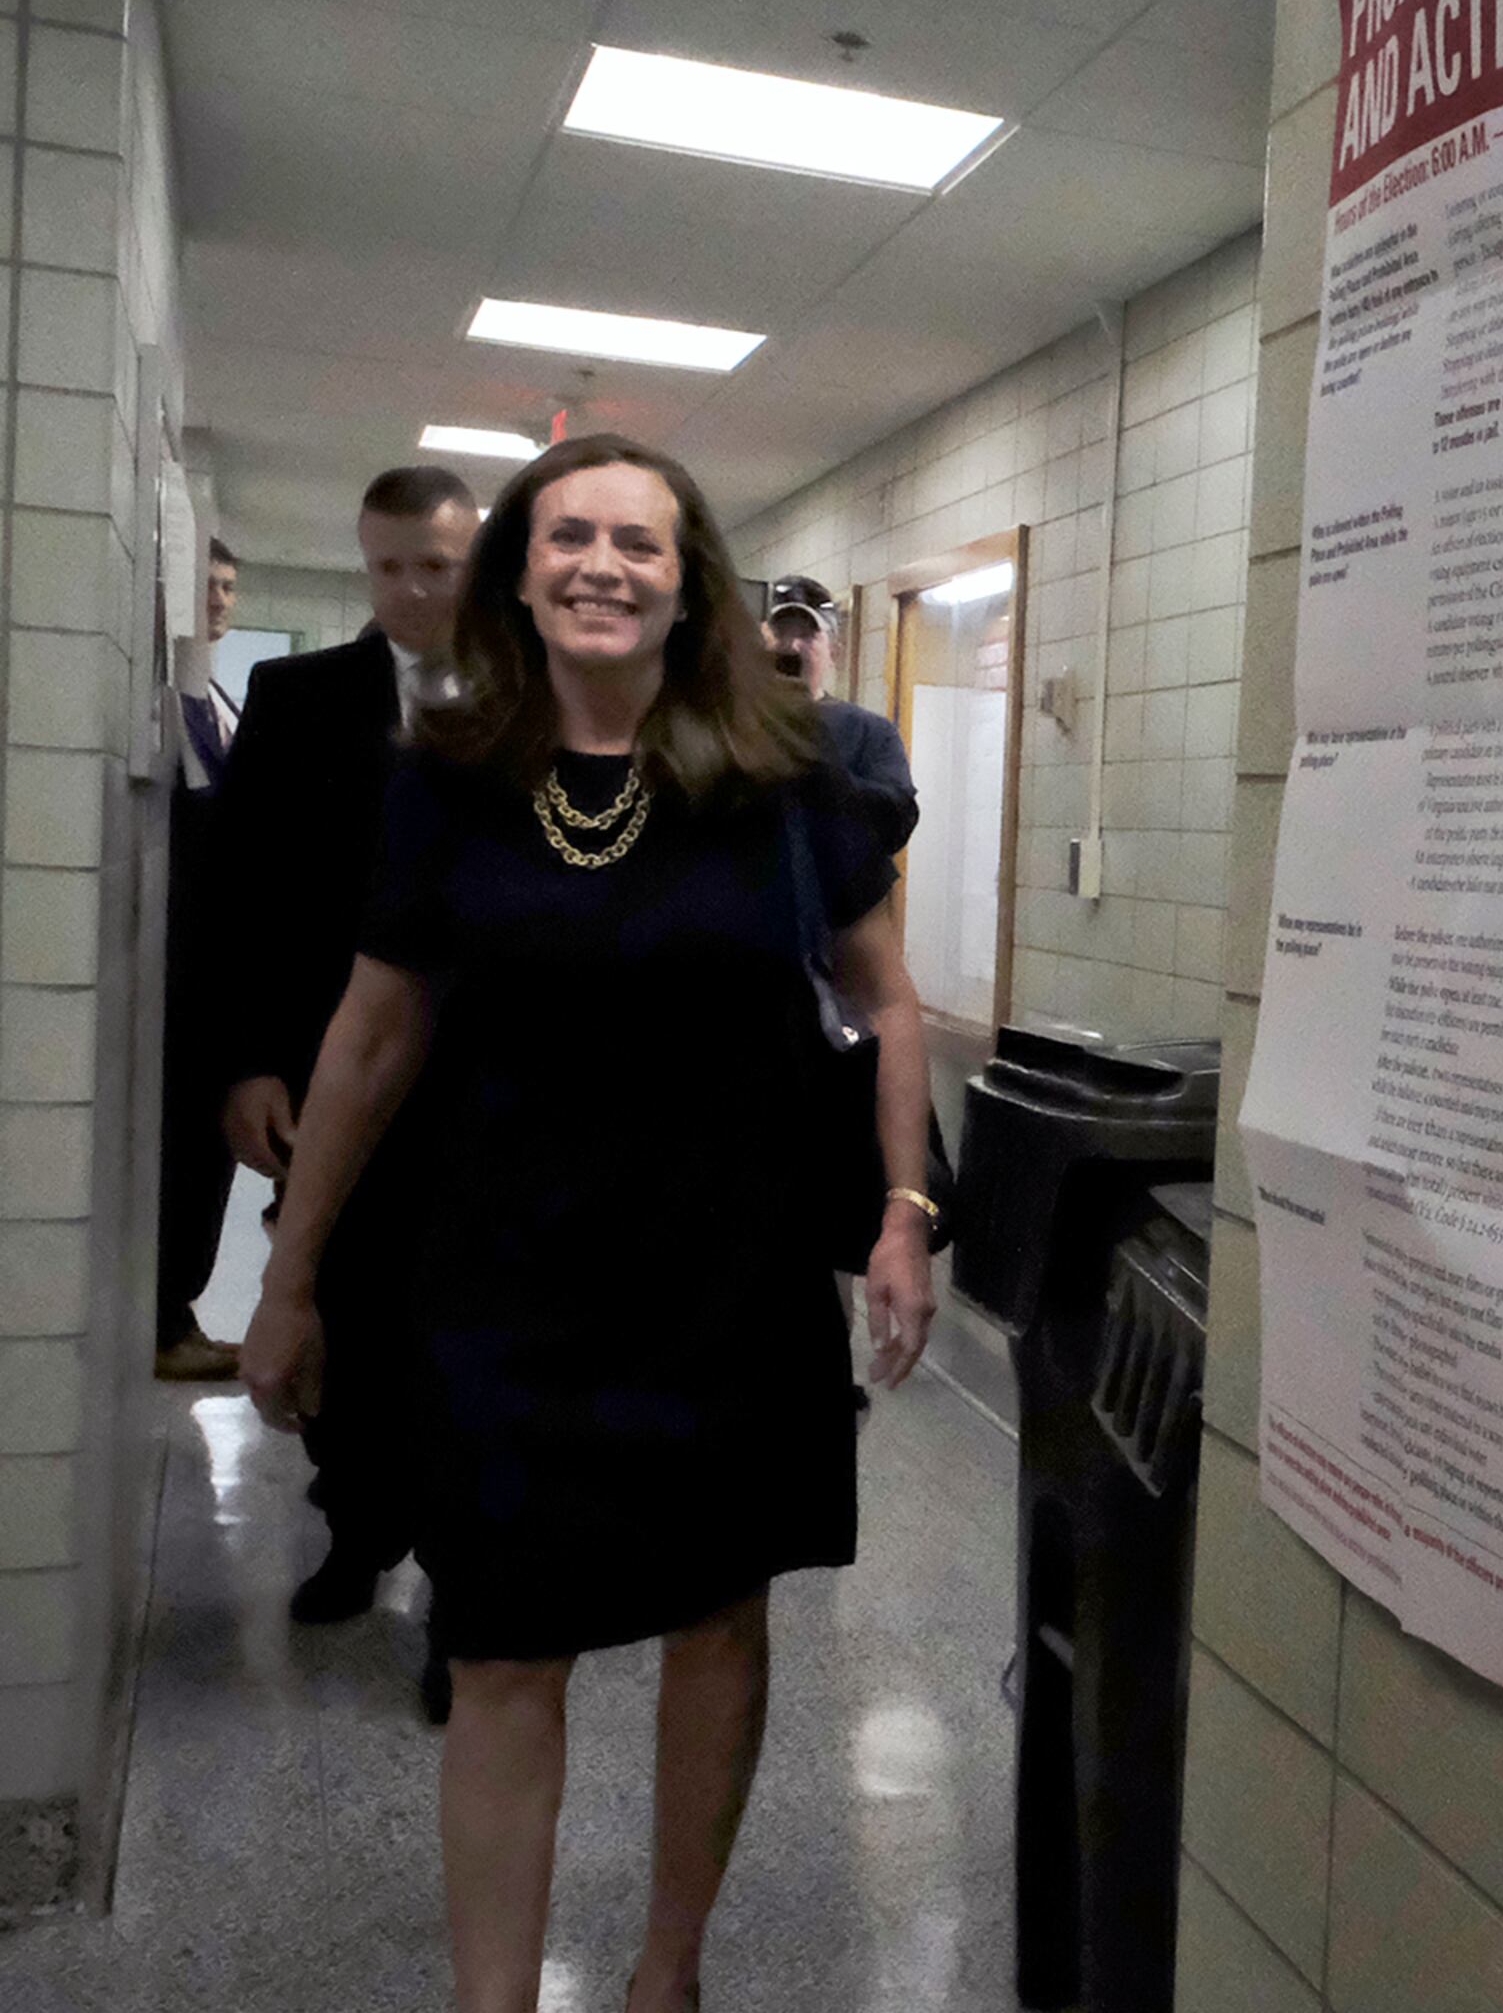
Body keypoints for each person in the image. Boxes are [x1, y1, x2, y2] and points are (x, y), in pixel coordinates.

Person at [237, 434, 938, 2013]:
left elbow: (885, 1006)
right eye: (570, 539)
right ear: (522, 573)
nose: (602, 565)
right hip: (504, 1278)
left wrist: (902, 1212)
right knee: (498, 1644)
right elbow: (369, 1039)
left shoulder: (796, 777)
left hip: (731, 1276)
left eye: (638, 540)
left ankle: (664, 1976)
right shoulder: (455, 780)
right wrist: (289, 1279)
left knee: (717, 1619)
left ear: (687, 576)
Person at [214, 468, 477, 1629]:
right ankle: (358, 1530)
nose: (411, 591)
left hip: (491, 1083)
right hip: (337, 1066)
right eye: (388, 568)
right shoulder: (299, 696)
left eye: (436, 566)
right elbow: (247, 894)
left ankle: (469, 1584)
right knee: (348, 1311)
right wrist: (248, 1061)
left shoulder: (546, 699)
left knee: (471, 1330)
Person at [154, 543, 248, 1382]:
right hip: (183, 967)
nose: (216, 600)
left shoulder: (215, 699)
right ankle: (166, 1315)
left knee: (210, 1157)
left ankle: (180, 1308)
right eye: (204, 585)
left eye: (226, 587)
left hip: (219, 965)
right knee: (186, 1150)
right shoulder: (173, 703)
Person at [763, 581, 917, 852]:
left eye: (808, 635)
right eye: (782, 633)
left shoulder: (868, 732)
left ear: (833, 650)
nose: (793, 646)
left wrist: (826, 780)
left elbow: (897, 822)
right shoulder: (732, 724)